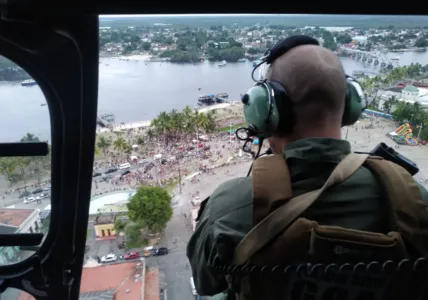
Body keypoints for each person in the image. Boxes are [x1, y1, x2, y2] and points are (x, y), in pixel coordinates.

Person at [186, 40, 428, 299]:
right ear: (350, 107)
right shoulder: (413, 199)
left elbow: (205, 283)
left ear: (267, 108)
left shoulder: (228, 208)